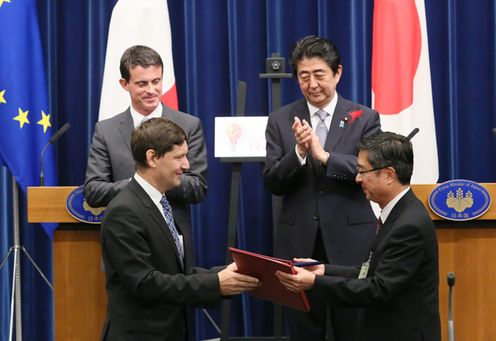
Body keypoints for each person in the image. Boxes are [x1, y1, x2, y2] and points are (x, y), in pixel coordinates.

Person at [264, 35, 381, 340]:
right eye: (304, 77)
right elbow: (273, 182)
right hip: (299, 242)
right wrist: (300, 154)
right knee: (304, 329)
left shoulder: (364, 118)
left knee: (353, 328)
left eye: (319, 75)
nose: (312, 84)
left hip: (350, 241)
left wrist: (324, 155)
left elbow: (368, 172)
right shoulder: (280, 119)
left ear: (337, 73)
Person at [100, 117, 259, 341]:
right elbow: (145, 283)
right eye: (179, 157)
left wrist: (226, 273)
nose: (187, 165)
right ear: (152, 157)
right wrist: (215, 283)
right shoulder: (124, 212)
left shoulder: (160, 203)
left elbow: (172, 274)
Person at [276, 131, 441, 341]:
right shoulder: (398, 213)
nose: (357, 178)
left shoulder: (409, 225)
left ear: (389, 175)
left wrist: (314, 283)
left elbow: (378, 289)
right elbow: (369, 271)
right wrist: (323, 270)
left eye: (363, 171)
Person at [84, 45, 207, 251]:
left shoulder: (188, 125)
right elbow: (93, 191)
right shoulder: (107, 130)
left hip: (173, 240)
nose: (151, 90)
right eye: (142, 84)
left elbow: (197, 188)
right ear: (125, 84)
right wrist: (139, 186)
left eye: (156, 81)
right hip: (124, 240)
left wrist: (157, 181)